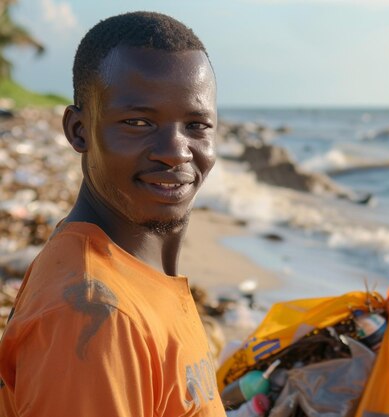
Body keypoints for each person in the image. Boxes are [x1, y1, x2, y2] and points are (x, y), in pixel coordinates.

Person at [0, 11, 226, 417]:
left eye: (197, 124)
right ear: (79, 130)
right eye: (138, 122)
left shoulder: (128, 271)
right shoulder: (95, 318)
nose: (176, 151)